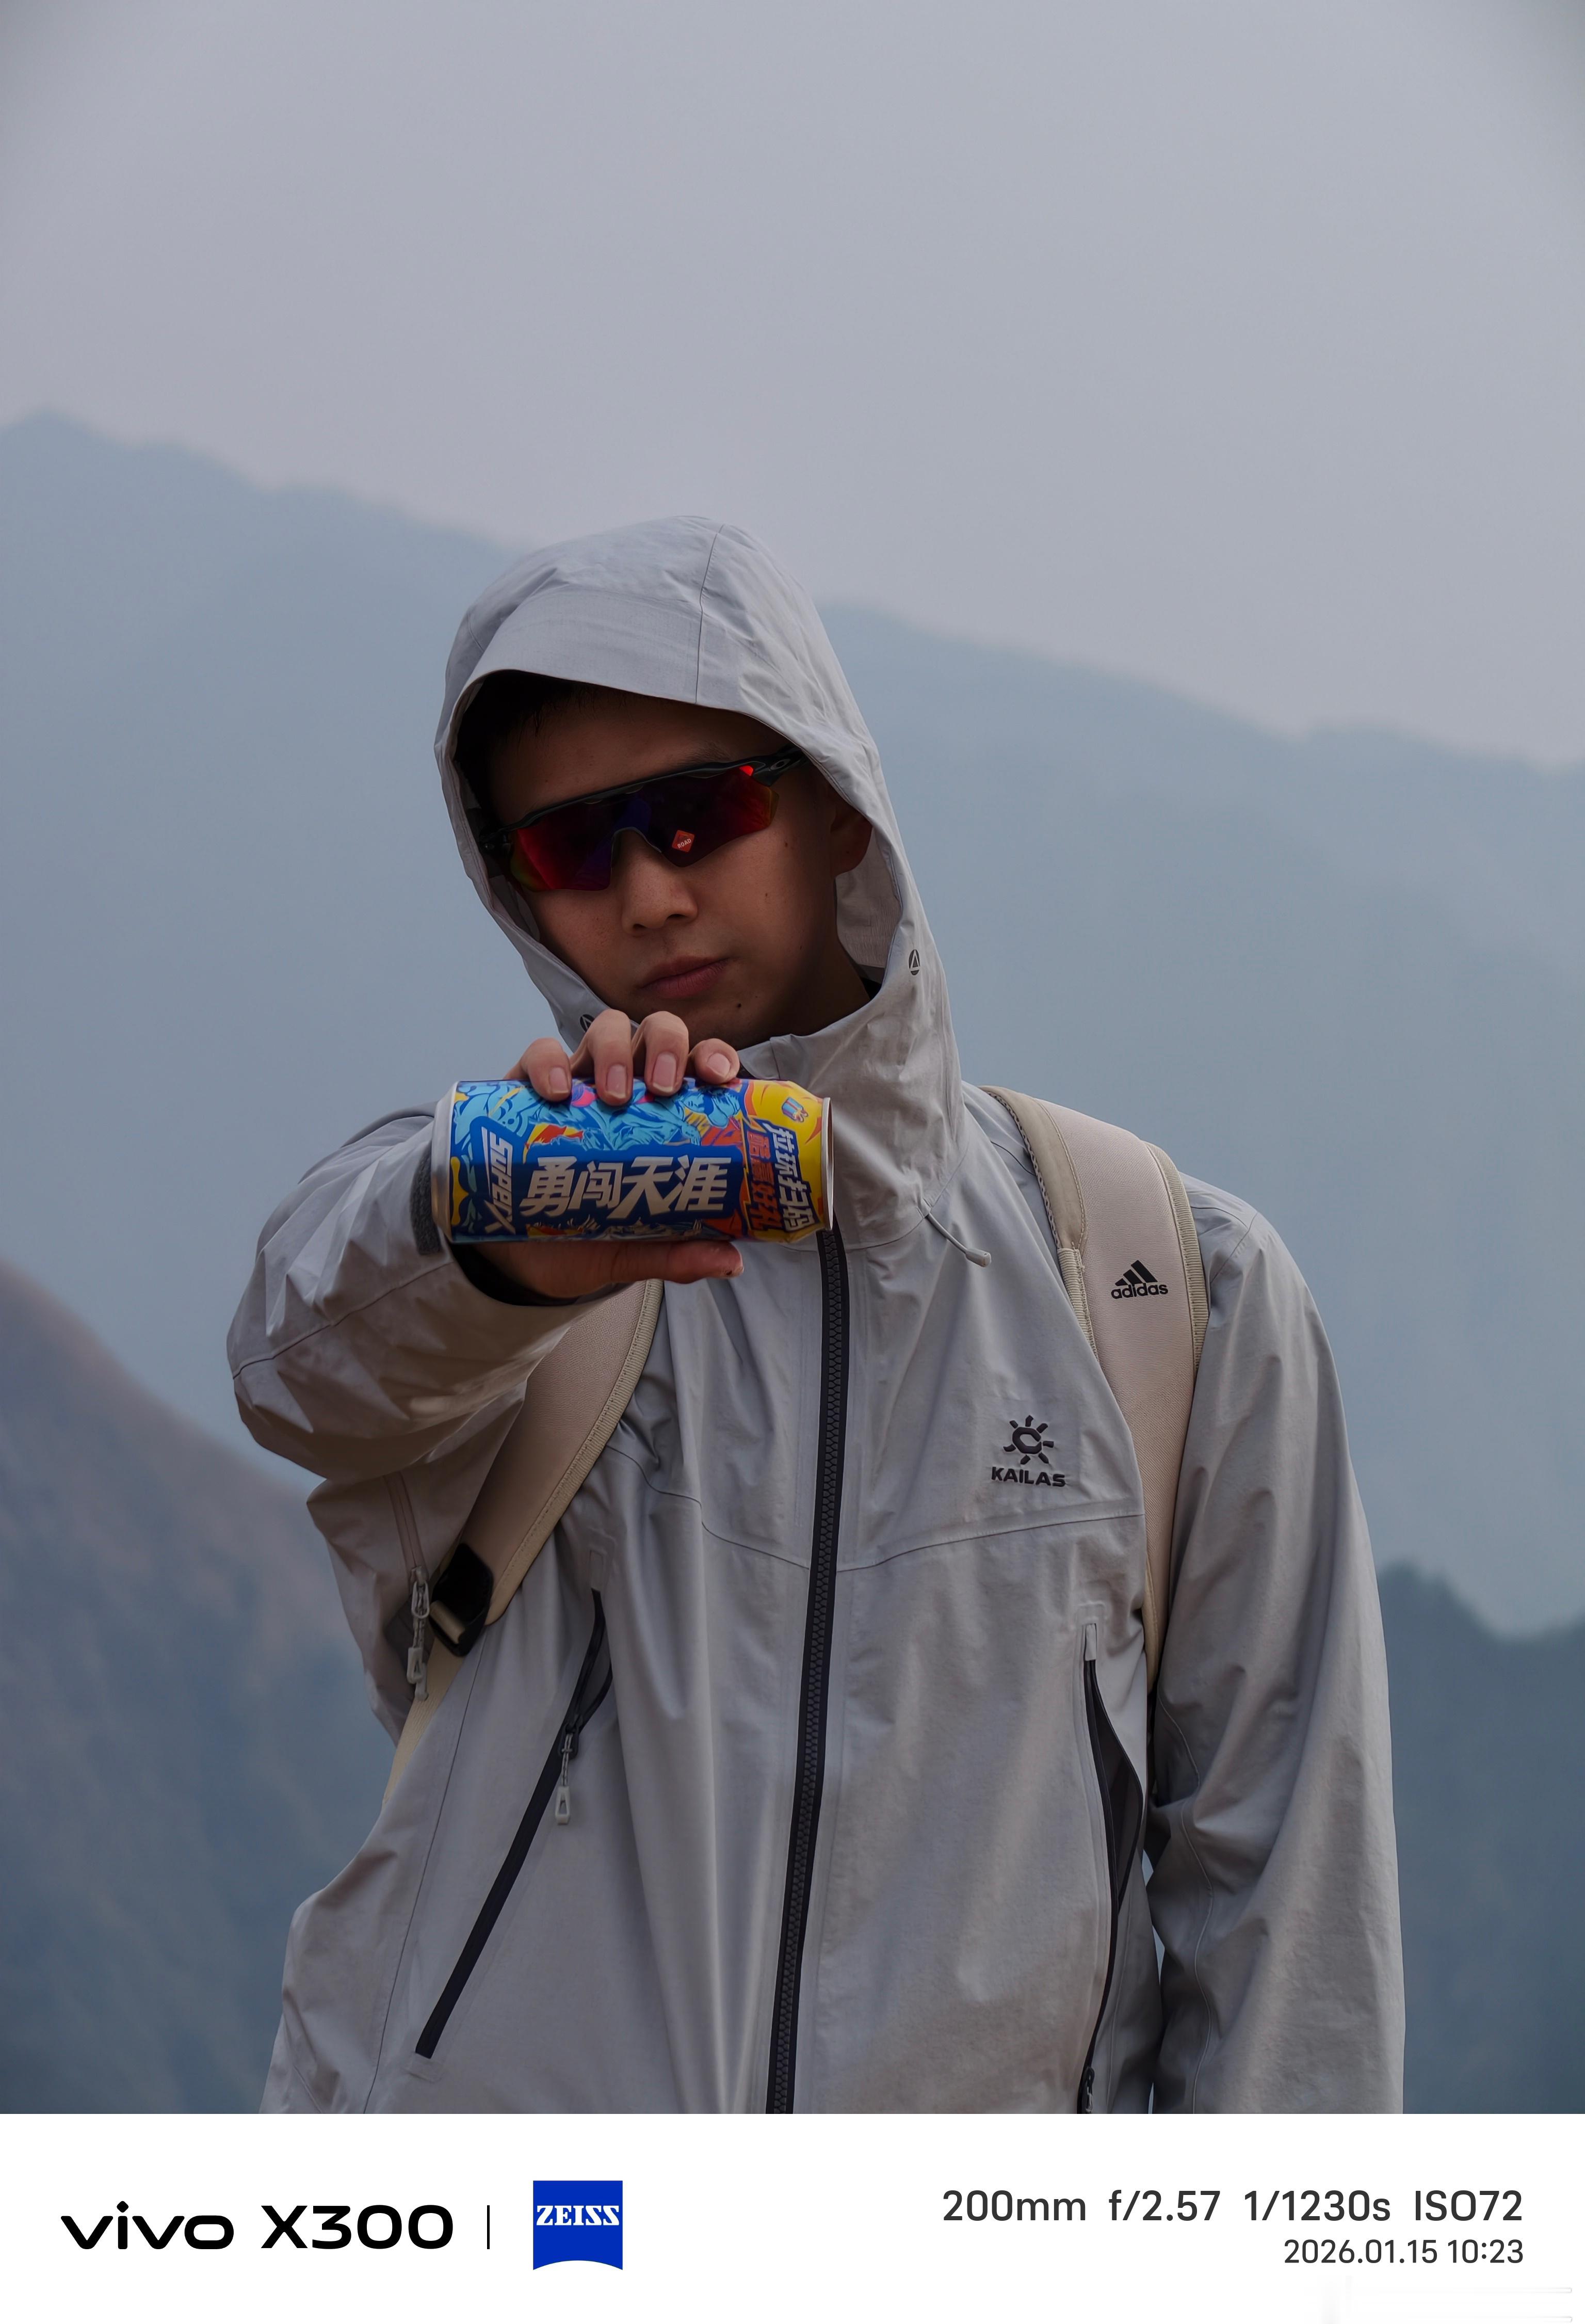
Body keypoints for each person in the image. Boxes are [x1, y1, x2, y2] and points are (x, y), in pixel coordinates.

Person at [229, 517, 1403, 2113]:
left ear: (840, 807)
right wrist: (503, 1240)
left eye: (699, 813)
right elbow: (299, 1370)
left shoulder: (1174, 1289)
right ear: (514, 890)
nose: (649, 894)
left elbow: (1287, 1930)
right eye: (571, 850)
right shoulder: (483, 1226)